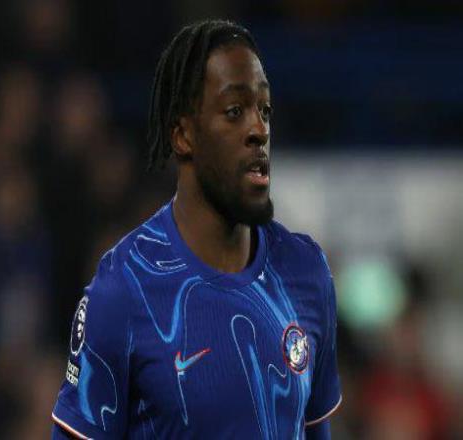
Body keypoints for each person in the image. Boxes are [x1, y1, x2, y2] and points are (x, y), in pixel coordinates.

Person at [51, 19, 342, 439]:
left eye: (265, 110)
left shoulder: (305, 270)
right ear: (184, 135)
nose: (259, 130)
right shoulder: (124, 289)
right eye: (235, 111)